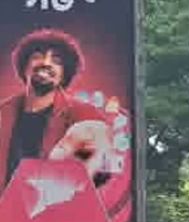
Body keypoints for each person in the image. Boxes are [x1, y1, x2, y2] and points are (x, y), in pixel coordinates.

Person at [0, 29, 110, 189]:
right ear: (24, 67)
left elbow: (102, 171)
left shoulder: (85, 114)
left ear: (64, 75)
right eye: (37, 56)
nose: (46, 63)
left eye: (57, 61)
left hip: (60, 209)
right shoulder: (3, 113)